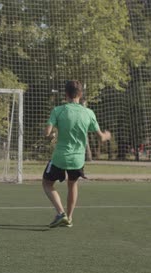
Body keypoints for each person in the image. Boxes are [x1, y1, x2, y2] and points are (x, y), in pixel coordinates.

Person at [43, 80, 111, 228]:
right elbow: (101, 137)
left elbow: (47, 133)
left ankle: (61, 213)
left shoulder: (58, 110)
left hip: (60, 158)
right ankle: (70, 218)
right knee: (72, 184)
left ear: (66, 94)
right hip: (78, 159)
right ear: (80, 95)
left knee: (47, 184)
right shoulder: (88, 113)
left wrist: (52, 135)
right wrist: (107, 135)